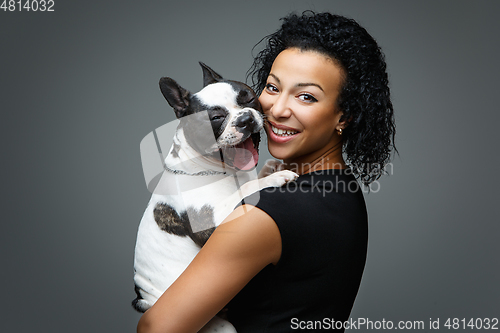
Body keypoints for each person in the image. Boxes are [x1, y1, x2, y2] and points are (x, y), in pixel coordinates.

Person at [137, 11, 395, 333]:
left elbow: (155, 328)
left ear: (344, 116)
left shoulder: (266, 213)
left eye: (306, 96)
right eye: (272, 88)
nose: (278, 109)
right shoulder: (341, 192)